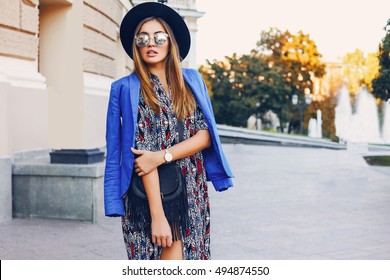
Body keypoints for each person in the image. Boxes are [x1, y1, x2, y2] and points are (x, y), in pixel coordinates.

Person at [104, 2, 233, 260]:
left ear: (170, 42)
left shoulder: (191, 81)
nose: (150, 43)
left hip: (192, 190)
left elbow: (205, 135)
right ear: (136, 46)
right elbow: (142, 156)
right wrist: (159, 216)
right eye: (143, 38)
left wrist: (163, 155)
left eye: (158, 37)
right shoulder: (128, 88)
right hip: (148, 196)